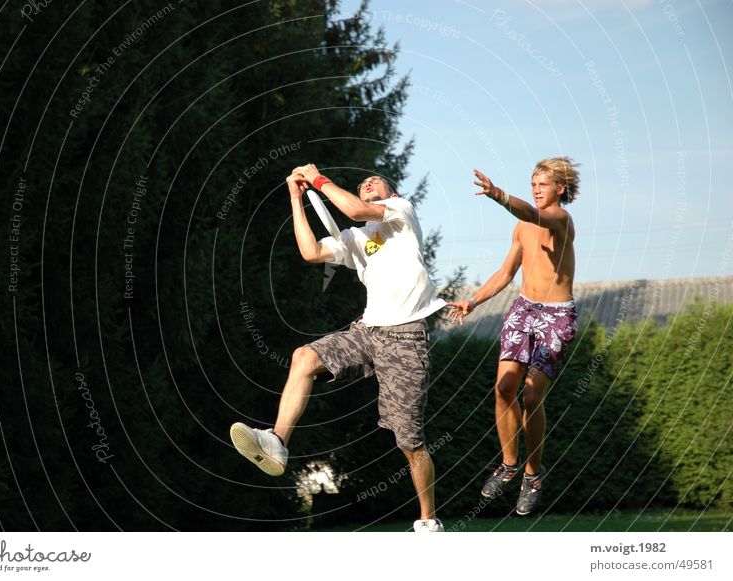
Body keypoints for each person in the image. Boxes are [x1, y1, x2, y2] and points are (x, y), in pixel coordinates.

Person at [230, 164, 447, 532]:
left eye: (374, 180)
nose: (366, 183)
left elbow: (356, 209)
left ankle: (428, 521)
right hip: (368, 332)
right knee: (304, 358)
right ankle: (277, 442)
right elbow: (311, 252)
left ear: (391, 194)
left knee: (410, 443)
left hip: (407, 339)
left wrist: (318, 179)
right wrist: (297, 198)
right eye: (362, 183)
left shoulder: (402, 212)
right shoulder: (356, 239)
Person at [448, 157, 581, 515]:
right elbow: (506, 272)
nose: (536, 189)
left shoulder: (560, 220)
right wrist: (473, 301)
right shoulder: (523, 229)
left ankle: (533, 474)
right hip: (523, 310)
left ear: (561, 189)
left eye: (544, 184)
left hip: (555, 315)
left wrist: (498, 195)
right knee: (504, 386)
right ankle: (509, 466)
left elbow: (535, 215)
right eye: (533, 183)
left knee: (532, 395)